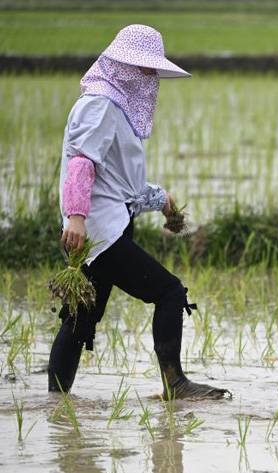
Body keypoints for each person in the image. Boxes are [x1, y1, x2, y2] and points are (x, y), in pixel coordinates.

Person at [49, 24, 228, 400]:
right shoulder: (100, 104)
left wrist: (162, 201)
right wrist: (78, 217)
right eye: (141, 68)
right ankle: (174, 382)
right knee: (169, 291)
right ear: (122, 67)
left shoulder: (114, 109)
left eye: (151, 70)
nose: (148, 77)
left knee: (82, 316)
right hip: (99, 231)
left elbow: (121, 185)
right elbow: (82, 164)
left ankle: (56, 402)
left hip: (105, 226)